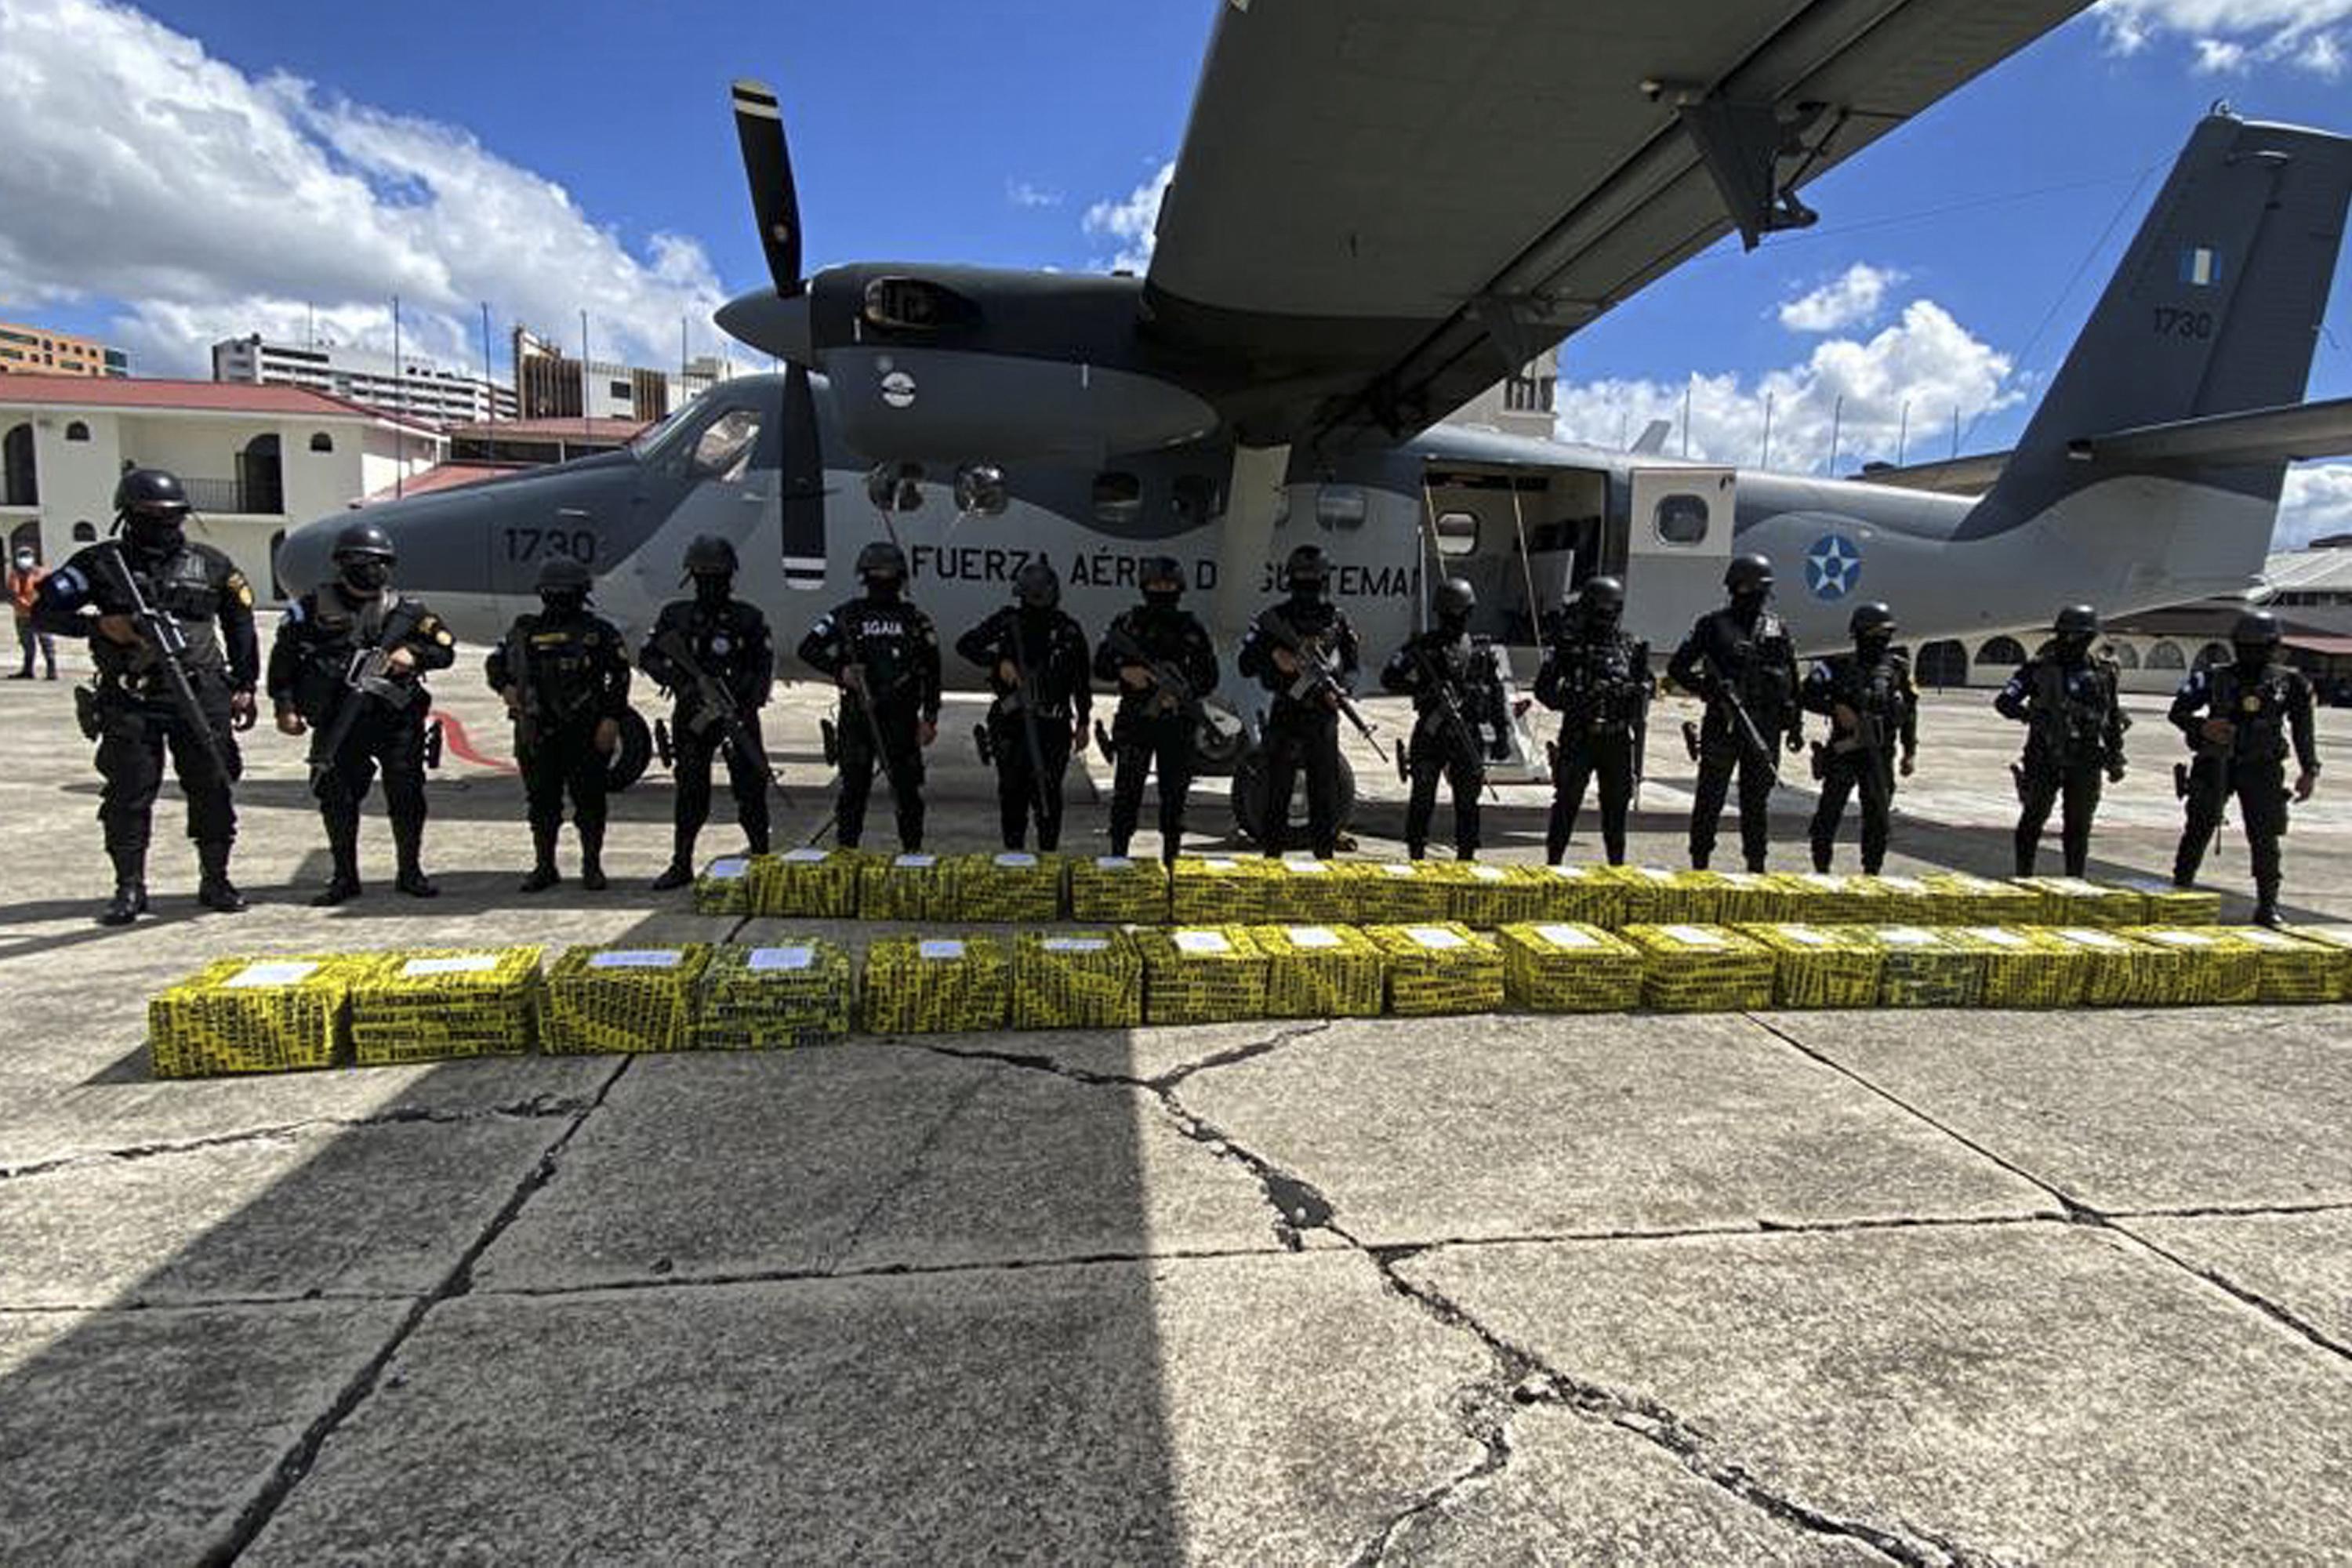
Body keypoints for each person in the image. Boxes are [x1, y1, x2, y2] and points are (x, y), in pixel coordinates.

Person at [32, 469, 258, 923]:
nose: (163, 524)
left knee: (213, 784)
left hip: (201, 690)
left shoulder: (212, 564)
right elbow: (43, 613)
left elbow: (240, 625)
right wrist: (99, 625)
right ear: (128, 514)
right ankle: (129, 887)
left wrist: (245, 685)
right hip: (132, 696)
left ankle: (216, 879)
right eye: (150, 515)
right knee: (129, 792)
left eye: (172, 516)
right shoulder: (99, 564)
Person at [267, 521, 456, 905]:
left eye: (381, 563)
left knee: (406, 796)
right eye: (364, 562)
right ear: (342, 564)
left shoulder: (406, 611)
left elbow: (445, 650)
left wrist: (413, 654)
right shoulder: (309, 610)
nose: (374, 570)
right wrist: (285, 709)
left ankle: (410, 872)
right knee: (337, 800)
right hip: (338, 721)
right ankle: (344, 877)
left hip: (394, 721)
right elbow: (282, 664)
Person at [485, 557, 633, 892]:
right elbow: (496, 665)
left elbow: (619, 678)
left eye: (566, 592)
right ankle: (544, 865)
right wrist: (506, 688)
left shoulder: (599, 633)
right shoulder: (525, 633)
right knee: (542, 803)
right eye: (554, 592)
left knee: (590, 803)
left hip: (585, 728)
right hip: (538, 730)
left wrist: (611, 719)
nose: (560, 598)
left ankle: (591, 865)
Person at [640, 535, 775, 890]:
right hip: (693, 714)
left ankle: (761, 856)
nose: (711, 583)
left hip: (737, 713)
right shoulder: (676, 616)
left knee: (751, 788)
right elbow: (649, 655)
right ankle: (681, 862)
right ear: (692, 577)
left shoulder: (748, 618)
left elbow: (763, 665)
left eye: (718, 576)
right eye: (704, 575)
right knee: (691, 790)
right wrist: (680, 682)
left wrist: (748, 700)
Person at [2169, 610, 2319, 926]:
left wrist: (2310, 770)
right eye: (2245, 646)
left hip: (2261, 767)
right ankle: (2179, 890)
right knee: (2198, 827)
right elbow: (2178, 711)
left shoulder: (2289, 683)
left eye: (2258, 646)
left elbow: (2303, 730)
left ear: (2273, 647)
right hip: (2216, 762)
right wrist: (2203, 727)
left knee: (2265, 837)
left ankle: (2267, 904)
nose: (2251, 652)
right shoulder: (2212, 676)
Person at [798, 540, 940, 851]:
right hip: (858, 719)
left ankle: (912, 854)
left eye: (888, 573)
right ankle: (847, 855)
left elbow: (932, 670)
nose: (883, 579)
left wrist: (930, 718)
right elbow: (807, 648)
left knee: (907, 796)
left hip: (901, 721)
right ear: (865, 577)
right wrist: (841, 671)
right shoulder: (848, 615)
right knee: (853, 793)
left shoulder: (915, 620)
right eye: (877, 573)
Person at [1667, 554, 1802, 871]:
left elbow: (1792, 678)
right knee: (1710, 798)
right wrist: (1708, 690)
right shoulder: (1713, 626)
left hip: (1764, 726)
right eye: (1754, 590)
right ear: (1739, 589)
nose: (1758, 597)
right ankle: (1700, 862)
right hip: (1724, 723)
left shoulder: (1776, 627)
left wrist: (1794, 724)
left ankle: (1756, 865)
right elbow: (1678, 667)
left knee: (1756, 803)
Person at [955, 560, 1091, 851]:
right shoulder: (1008, 622)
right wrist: (998, 663)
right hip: (1013, 723)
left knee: (1049, 796)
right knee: (1013, 795)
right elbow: (966, 644)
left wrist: (1083, 723)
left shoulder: (1068, 630)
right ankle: (1014, 857)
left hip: (1053, 725)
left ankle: (1048, 858)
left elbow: (1081, 680)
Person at [1237, 543, 1360, 858]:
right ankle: (1273, 860)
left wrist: (1341, 690)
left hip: (1322, 715)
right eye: (1304, 581)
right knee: (1276, 793)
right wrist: (1274, 656)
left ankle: (1323, 859)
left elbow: (1353, 667)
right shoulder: (1274, 619)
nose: (1309, 588)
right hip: (1287, 712)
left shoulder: (1336, 621)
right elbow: (1245, 663)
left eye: (1314, 581)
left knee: (1324, 796)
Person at [1094, 554, 1218, 864]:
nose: (1162, 589)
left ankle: (1171, 862)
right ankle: (1118, 859)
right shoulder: (1128, 624)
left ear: (1179, 587)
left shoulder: (1192, 629)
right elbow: (1101, 664)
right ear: (1144, 586)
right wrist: (1126, 672)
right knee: (1126, 797)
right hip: (1137, 721)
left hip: (1176, 726)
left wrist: (1182, 694)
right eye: (1156, 584)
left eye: (1168, 584)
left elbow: (1210, 677)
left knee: (1174, 800)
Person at [1994, 604, 2129, 877]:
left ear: (2089, 638)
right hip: (2045, 755)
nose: (2067, 641)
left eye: (2074, 636)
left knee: (2078, 827)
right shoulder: (2038, 669)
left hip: (2087, 759)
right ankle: (2023, 876)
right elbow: (2005, 702)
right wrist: (2033, 715)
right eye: (2063, 634)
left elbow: (2112, 716)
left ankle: (2074, 881)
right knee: (2033, 820)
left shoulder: (2104, 673)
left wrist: (2116, 757)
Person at [1381, 576, 1508, 861]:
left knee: (1467, 802)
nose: (1455, 619)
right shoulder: (1422, 648)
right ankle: (1416, 853)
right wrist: (1423, 689)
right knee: (1423, 798)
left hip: (1466, 734)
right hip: (1431, 731)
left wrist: (1502, 734)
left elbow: (1497, 695)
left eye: (1459, 613)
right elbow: (1390, 678)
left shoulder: (1480, 651)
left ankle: (1466, 856)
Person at [1535, 575, 1651, 866]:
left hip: (1616, 737)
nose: (1605, 616)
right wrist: (1575, 700)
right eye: (1600, 609)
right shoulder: (1569, 644)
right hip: (1580, 733)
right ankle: (1555, 862)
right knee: (1567, 801)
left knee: (1616, 807)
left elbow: (1645, 687)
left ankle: (1616, 865)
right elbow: (1544, 689)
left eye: (1609, 610)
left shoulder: (1629, 645)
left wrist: (1634, 693)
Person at [1802, 601, 1918, 873]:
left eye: (1885, 634)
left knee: (1878, 818)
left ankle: (1871, 872)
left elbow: (1910, 713)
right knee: (1828, 816)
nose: (1881, 640)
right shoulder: (1837, 665)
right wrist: (1835, 707)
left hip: (1880, 753)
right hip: (1845, 752)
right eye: (1875, 634)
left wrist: (1910, 751)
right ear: (1860, 634)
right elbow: (1805, 695)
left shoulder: (1898, 669)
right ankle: (1821, 869)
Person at [9, 545, 56, 680]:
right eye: (22, 556)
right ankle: (28, 670)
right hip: (22, 614)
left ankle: (51, 670)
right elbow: (14, 593)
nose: (24, 559)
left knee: (46, 640)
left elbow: (50, 590)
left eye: (27, 556)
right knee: (26, 642)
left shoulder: (42, 573)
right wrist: (23, 603)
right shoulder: (15, 574)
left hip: (41, 613)